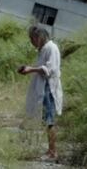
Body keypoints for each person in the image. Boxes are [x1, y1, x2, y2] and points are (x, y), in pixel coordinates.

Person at [18, 25, 63, 161]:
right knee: (47, 120)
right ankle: (50, 150)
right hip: (44, 88)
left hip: (49, 88)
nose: (32, 42)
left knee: (50, 121)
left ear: (38, 37)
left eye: (32, 39)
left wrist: (30, 69)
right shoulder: (43, 49)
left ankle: (53, 152)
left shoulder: (51, 48)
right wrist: (29, 69)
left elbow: (50, 69)